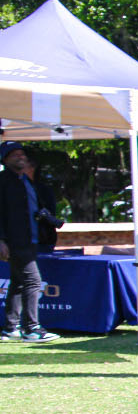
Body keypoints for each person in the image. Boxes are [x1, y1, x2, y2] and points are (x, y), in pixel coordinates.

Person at [0, 141, 61, 342]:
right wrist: (1, 240)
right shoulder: (3, 181)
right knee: (33, 281)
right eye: (14, 154)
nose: (21, 157)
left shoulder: (24, 180)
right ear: (5, 159)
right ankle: (31, 328)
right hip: (15, 240)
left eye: (22, 153)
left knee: (18, 282)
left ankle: (10, 327)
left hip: (30, 239)